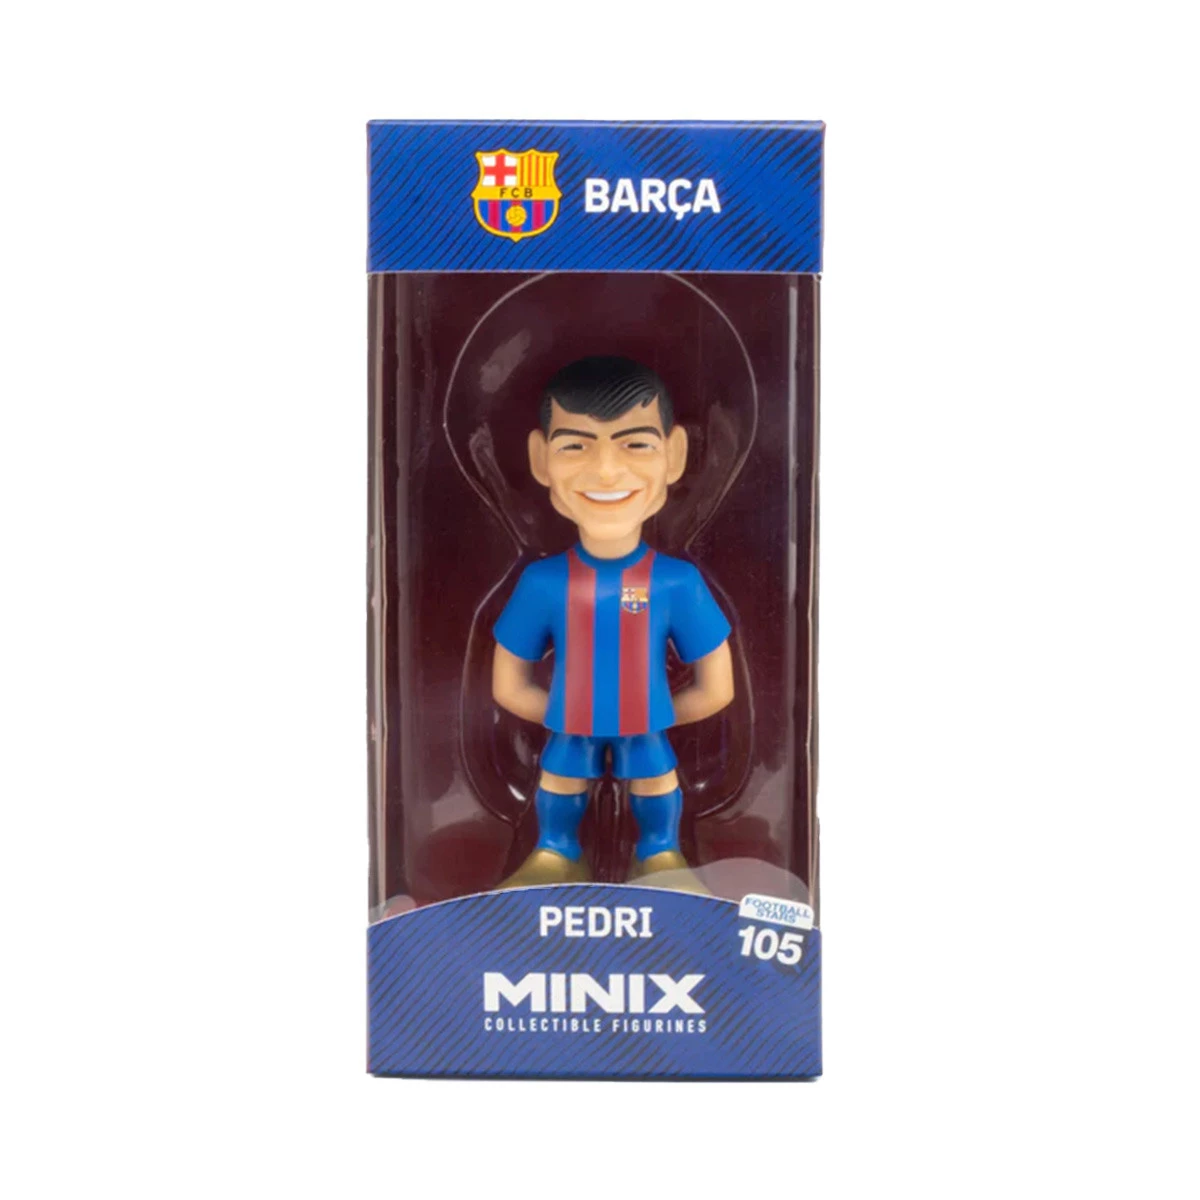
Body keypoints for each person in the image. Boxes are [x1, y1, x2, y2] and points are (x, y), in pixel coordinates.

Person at [492, 355, 734, 888]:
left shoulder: (676, 583)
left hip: (644, 727)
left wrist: (653, 712)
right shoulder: (543, 583)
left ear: (674, 455)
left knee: (654, 781)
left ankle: (661, 854)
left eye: (635, 444)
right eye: (575, 446)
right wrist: (567, 711)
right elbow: (507, 683)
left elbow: (718, 687)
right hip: (571, 728)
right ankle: (555, 852)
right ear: (541, 459)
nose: (605, 470)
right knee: (560, 780)